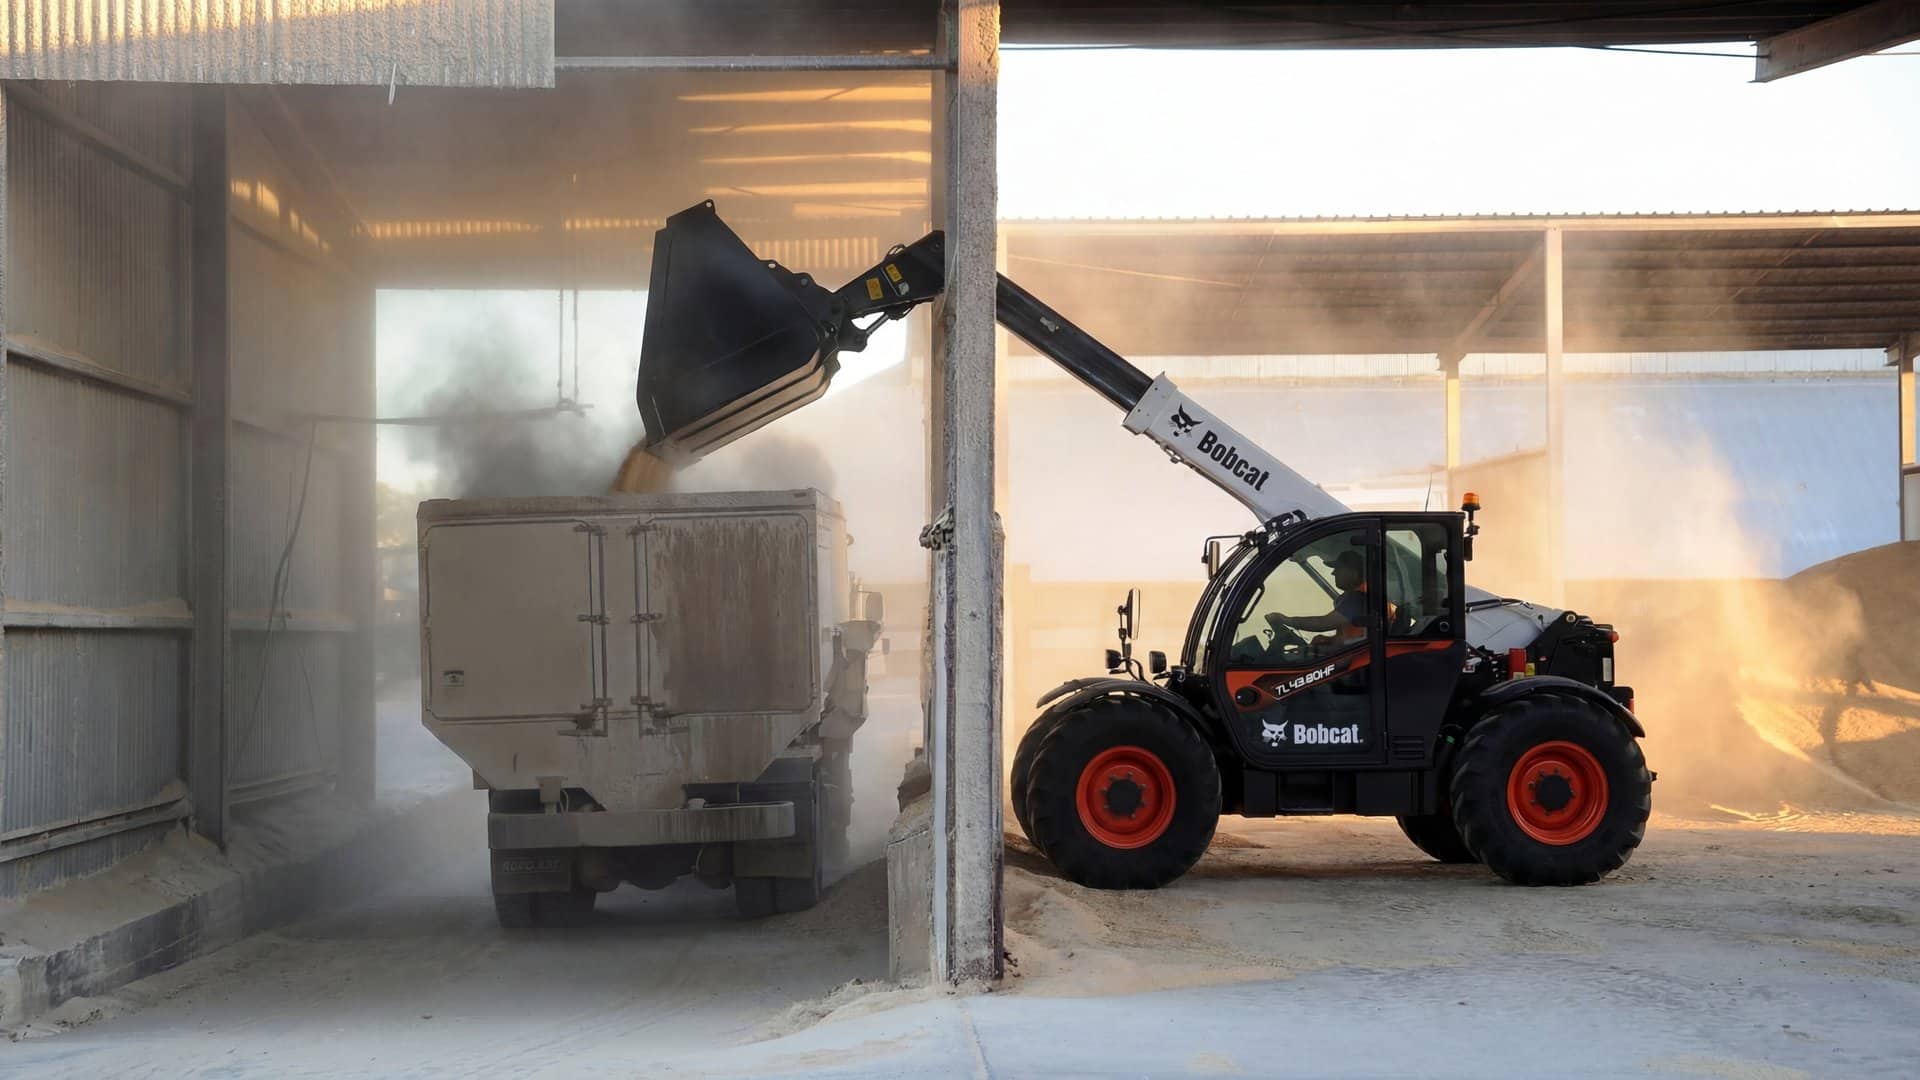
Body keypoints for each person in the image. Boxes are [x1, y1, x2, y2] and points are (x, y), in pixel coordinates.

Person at [1267, 549, 1393, 648]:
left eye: (1338, 568)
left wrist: (1287, 620)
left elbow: (1323, 623)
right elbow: (1355, 638)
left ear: (1354, 573)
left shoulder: (1358, 598)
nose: (1333, 573)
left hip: (1359, 661)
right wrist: (1329, 640)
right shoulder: (1370, 594)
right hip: (1359, 651)